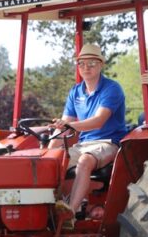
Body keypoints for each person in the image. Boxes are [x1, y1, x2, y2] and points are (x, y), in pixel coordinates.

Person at [51, 43, 128, 226]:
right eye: (82, 63)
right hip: (84, 142)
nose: (86, 67)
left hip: (108, 142)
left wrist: (70, 126)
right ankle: (51, 211)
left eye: (91, 63)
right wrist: (50, 149)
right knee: (52, 162)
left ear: (101, 65)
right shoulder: (76, 91)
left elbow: (98, 121)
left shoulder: (112, 89)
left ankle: (71, 211)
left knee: (85, 160)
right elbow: (65, 123)